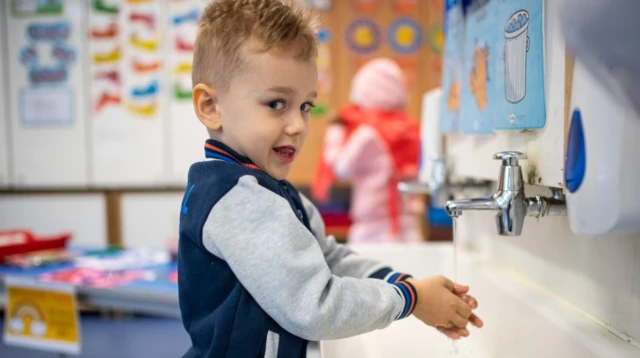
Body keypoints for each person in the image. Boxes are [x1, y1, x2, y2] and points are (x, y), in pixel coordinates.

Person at [179, 1, 483, 357]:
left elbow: (328, 258)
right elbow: (314, 305)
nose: (297, 125)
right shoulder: (237, 198)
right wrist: (410, 299)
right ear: (210, 106)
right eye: (277, 104)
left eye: (305, 105)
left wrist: (404, 284)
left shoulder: (269, 189)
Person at [312, 58, 424, 243]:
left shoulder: (368, 134)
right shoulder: (412, 129)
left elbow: (340, 167)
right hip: (409, 225)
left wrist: (335, 132)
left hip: (373, 229)